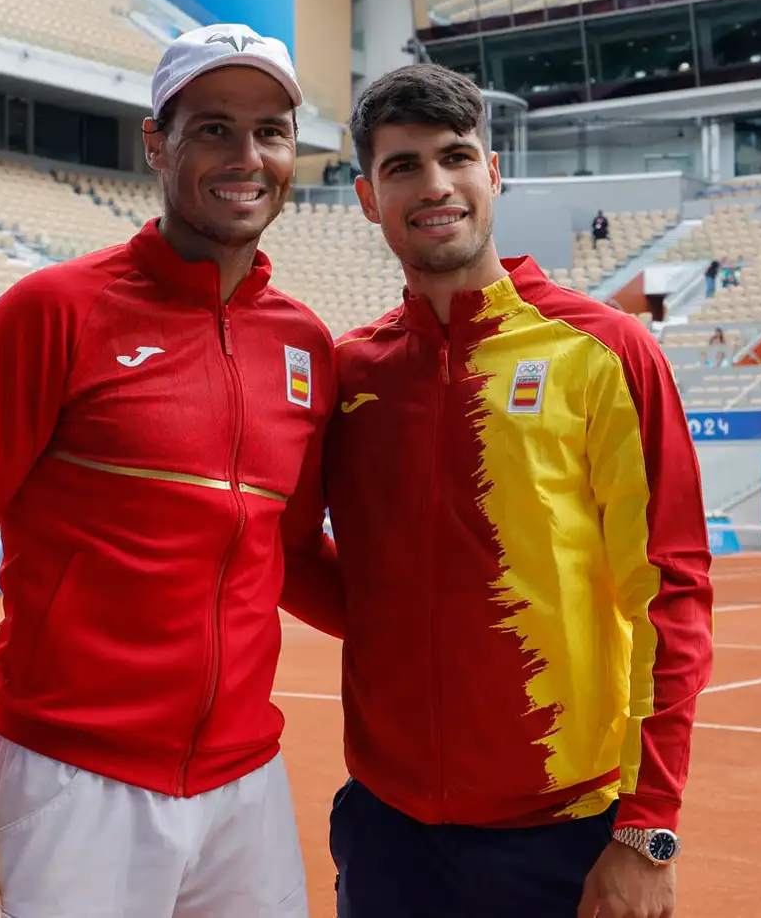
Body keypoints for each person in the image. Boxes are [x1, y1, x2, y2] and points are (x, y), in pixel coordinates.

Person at [0, 24, 335, 918]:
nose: (246, 157)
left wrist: (449, 628)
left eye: (270, 132)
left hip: (246, 791)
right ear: (155, 143)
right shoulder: (53, 313)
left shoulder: (306, 343)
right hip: (68, 785)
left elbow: (289, 553)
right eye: (213, 128)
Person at [288, 63, 714, 918]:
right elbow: (304, 561)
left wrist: (648, 829)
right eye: (403, 165)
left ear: (494, 173)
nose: (435, 184)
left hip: (568, 832)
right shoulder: (352, 369)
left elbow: (671, 597)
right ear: (369, 197)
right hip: (388, 828)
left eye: (456, 156)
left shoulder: (603, 351)